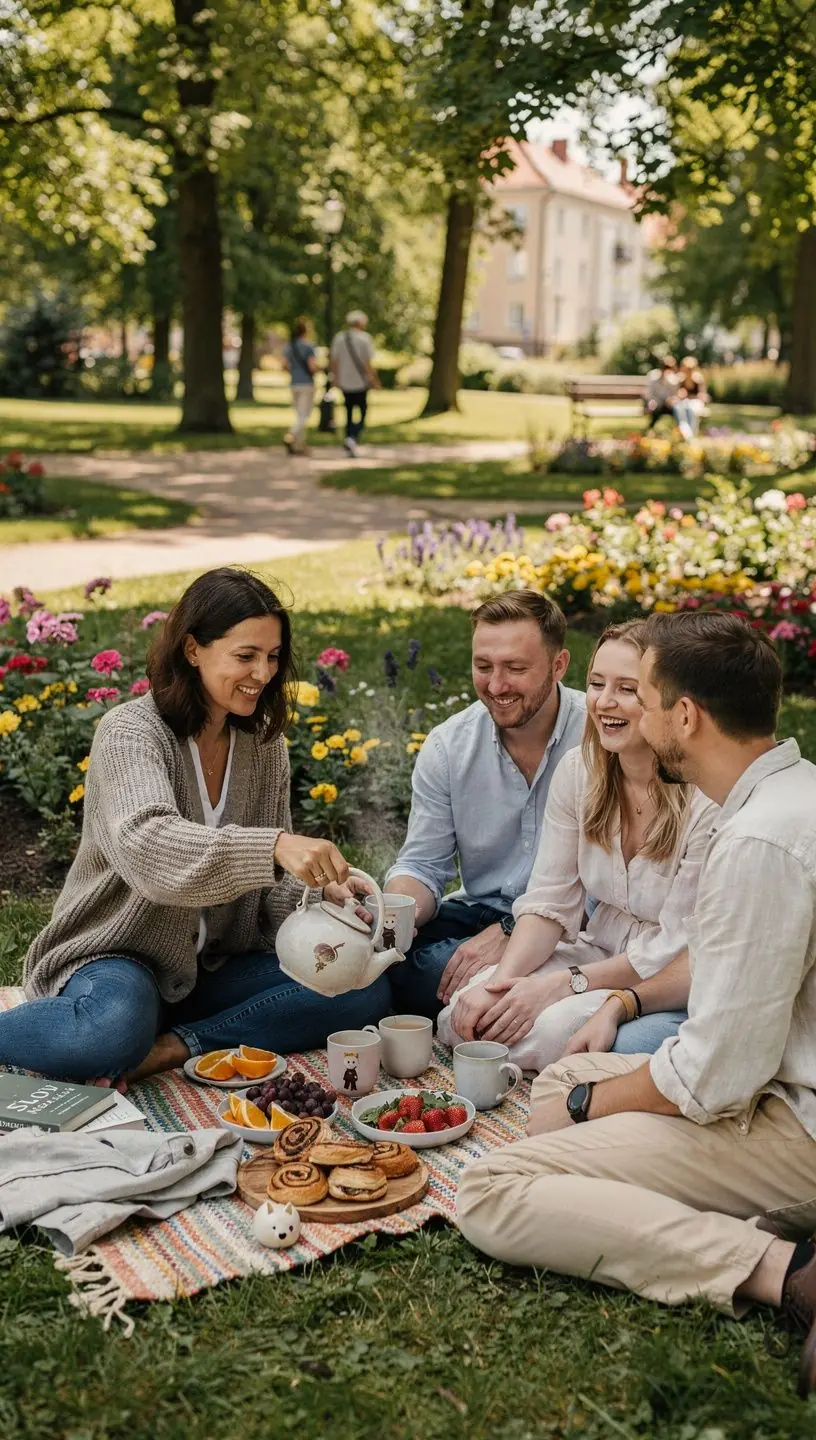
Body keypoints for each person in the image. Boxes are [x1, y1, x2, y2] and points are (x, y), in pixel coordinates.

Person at [455, 611, 816, 1399]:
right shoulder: (793, 794)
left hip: (797, 1124)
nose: (623, 716)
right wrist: (593, 1051)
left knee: (492, 1187)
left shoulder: (756, 840)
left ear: (684, 716)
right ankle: (687, 1206)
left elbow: (715, 1076)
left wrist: (587, 1107)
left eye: (642, 698)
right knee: (561, 1075)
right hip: (776, 1084)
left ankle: (788, 1271)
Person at [2, 568, 391, 1085]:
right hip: (121, 957)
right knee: (109, 1031)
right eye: (245, 656)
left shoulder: (264, 746)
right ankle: (136, 1036)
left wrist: (319, 893)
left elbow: (270, 888)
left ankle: (174, 1046)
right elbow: (149, 846)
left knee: (359, 987)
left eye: (273, 656)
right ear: (192, 650)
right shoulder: (130, 733)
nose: (263, 673)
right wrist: (274, 847)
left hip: (214, 968)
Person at [437, 621, 713, 1069]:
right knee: (466, 1010)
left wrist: (563, 984)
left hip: (667, 975)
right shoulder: (580, 772)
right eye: (597, 684)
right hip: (598, 947)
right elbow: (549, 901)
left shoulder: (704, 797)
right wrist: (501, 982)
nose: (604, 702)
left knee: (548, 1030)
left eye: (627, 689)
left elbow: (674, 946)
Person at [385, 591, 586, 1021]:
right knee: (394, 965)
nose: (496, 686)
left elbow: (615, 891)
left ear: (559, 665)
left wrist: (514, 932)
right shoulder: (449, 747)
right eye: (483, 666)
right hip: (477, 912)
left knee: (432, 975)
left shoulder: (600, 739)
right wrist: (394, 912)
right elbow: (422, 865)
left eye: (515, 668)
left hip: (573, 926)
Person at [330, 309, 379, 457]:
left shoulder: (339, 338)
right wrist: (374, 379)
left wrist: (335, 378)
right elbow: (368, 363)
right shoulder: (365, 338)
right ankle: (352, 437)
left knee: (349, 411)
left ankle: (349, 439)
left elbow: (334, 361)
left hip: (345, 381)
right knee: (363, 413)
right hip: (361, 382)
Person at [282, 318, 317, 455]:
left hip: (294, 383)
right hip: (306, 383)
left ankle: (299, 446)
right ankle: (291, 435)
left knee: (299, 414)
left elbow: (284, 365)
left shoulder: (289, 347)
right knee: (304, 415)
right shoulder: (308, 347)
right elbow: (312, 366)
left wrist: (294, 371)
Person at [672, 355, 708, 440]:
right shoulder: (680, 379)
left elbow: (702, 395)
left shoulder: (698, 379)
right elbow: (675, 394)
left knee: (692, 411)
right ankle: (687, 434)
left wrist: (692, 397)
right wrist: (680, 395)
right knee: (681, 411)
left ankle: (690, 436)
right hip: (683, 403)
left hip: (695, 402)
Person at [643, 357, 678, 430]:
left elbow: (674, 395)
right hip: (653, 403)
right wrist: (653, 401)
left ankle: (677, 430)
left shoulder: (673, 379)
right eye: (664, 368)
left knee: (676, 409)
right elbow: (648, 393)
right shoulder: (653, 375)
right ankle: (651, 428)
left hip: (667, 405)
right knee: (654, 408)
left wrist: (670, 400)